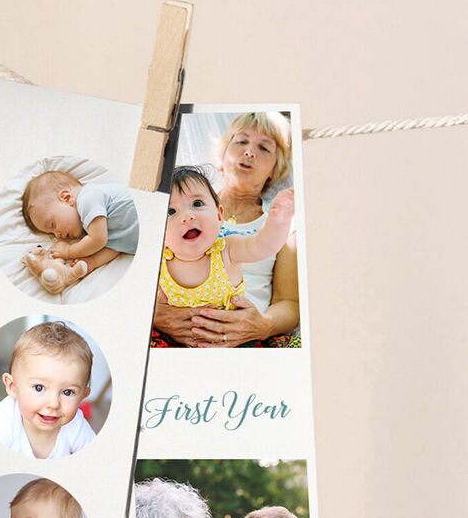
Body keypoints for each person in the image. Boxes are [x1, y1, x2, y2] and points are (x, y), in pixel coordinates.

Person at [151, 112, 301, 347]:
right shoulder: (173, 215)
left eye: (264, 148)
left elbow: (289, 302)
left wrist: (262, 325)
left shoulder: (282, 223)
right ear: (223, 154)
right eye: (241, 141)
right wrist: (157, 315)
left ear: (274, 168)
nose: (249, 152)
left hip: (248, 337)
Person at [158, 166, 295, 311]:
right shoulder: (158, 260)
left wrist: (277, 220)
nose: (186, 216)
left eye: (197, 204)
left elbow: (263, 245)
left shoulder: (227, 250)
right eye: (170, 211)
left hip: (230, 332)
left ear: (219, 215)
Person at [0, 321, 95, 459]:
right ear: (12, 387)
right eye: (39, 388)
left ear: (83, 396)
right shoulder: (0, 422)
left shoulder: (75, 424)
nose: (53, 404)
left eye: (67, 392)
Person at [20, 171, 139, 294]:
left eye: (52, 225)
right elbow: (115, 246)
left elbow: (98, 240)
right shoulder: (93, 227)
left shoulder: (88, 198)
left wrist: (69, 251)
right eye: (51, 234)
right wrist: (92, 262)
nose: (57, 235)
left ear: (66, 198)